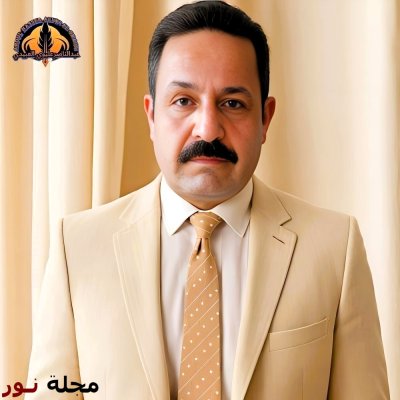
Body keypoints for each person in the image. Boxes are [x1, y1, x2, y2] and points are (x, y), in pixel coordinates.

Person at [26, 1, 390, 399]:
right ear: (152, 115)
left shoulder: (334, 247)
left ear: (265, 119)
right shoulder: (78, 246)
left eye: (233, 103)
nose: (208, 129)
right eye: (184, 101)